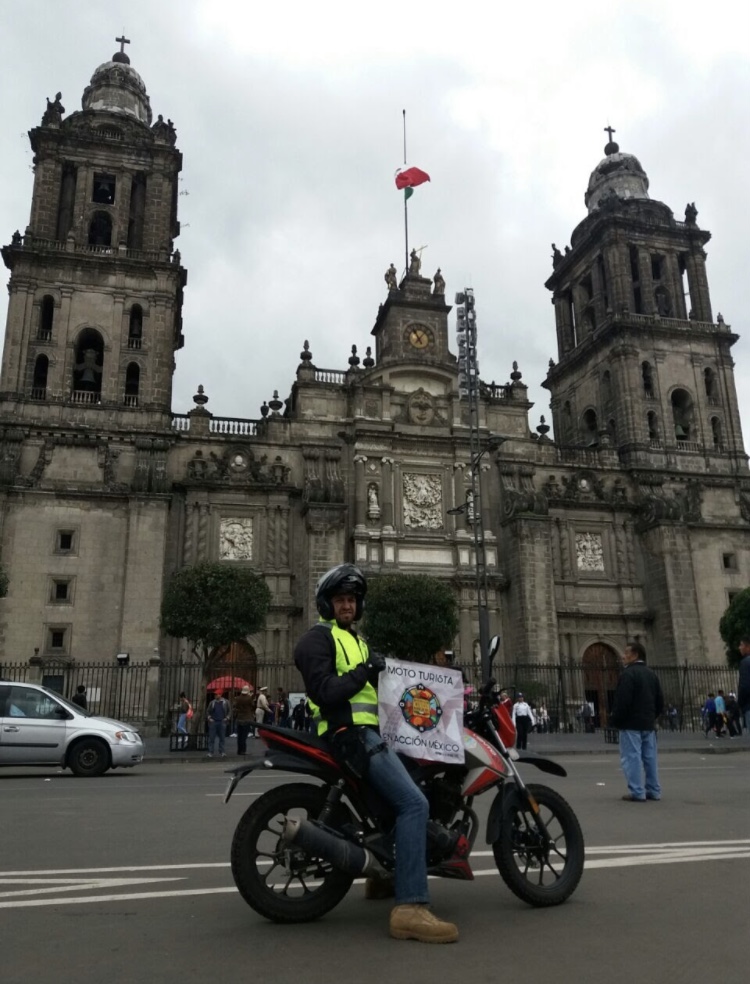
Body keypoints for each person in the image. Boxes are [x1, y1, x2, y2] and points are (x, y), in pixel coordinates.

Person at [293, 563, 458, 944]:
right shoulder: (319, 639)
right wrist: (366, 670)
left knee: (410, 786)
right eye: (340, 600)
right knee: (415, 805)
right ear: (327, 604)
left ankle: (383, 877)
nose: (347, 605)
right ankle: (411, 907)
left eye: (351, 600)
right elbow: (325, 692)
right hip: (350, 736)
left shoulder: (359, 641)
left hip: (371, 734)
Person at [609, 641, 664, 802]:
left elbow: (623, 701)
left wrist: (616, 720)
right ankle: (654, 790)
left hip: (631, 724)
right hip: (648, 724)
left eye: (626, 653)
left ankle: (637, 792)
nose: (623, 656)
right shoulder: (651, 674)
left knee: (631, 757)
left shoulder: (628, 674)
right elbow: (660, 700)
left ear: (634, 655)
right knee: (650, 757)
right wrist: (651, 716)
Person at [206, 690, 231, 758]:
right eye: (215, 694)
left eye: (217, 694)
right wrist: (209, 718)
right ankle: (210, 752)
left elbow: (229, 711)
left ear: (220, 695)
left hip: (222, 721)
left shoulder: (226, 702)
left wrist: (227, 718)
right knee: (211, 738)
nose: (216, 696)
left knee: (222, 738)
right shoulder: (212, 703)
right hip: (214, 721)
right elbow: (208, 711)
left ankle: (222, 751)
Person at [233, 686, 256, 754]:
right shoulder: (249, 698)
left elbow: (235, 706)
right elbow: (253, 705)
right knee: (244, 736)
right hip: (247, 718)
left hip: (239, 718)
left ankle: (239, 750)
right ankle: (243, 750)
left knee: (239, 735)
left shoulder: (238, 698)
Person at [737, 636, 750, 732]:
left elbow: (744, 686)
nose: (739, 647)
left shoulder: (745, 662)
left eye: (741, 645)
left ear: (748, 647)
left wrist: (740, 703)